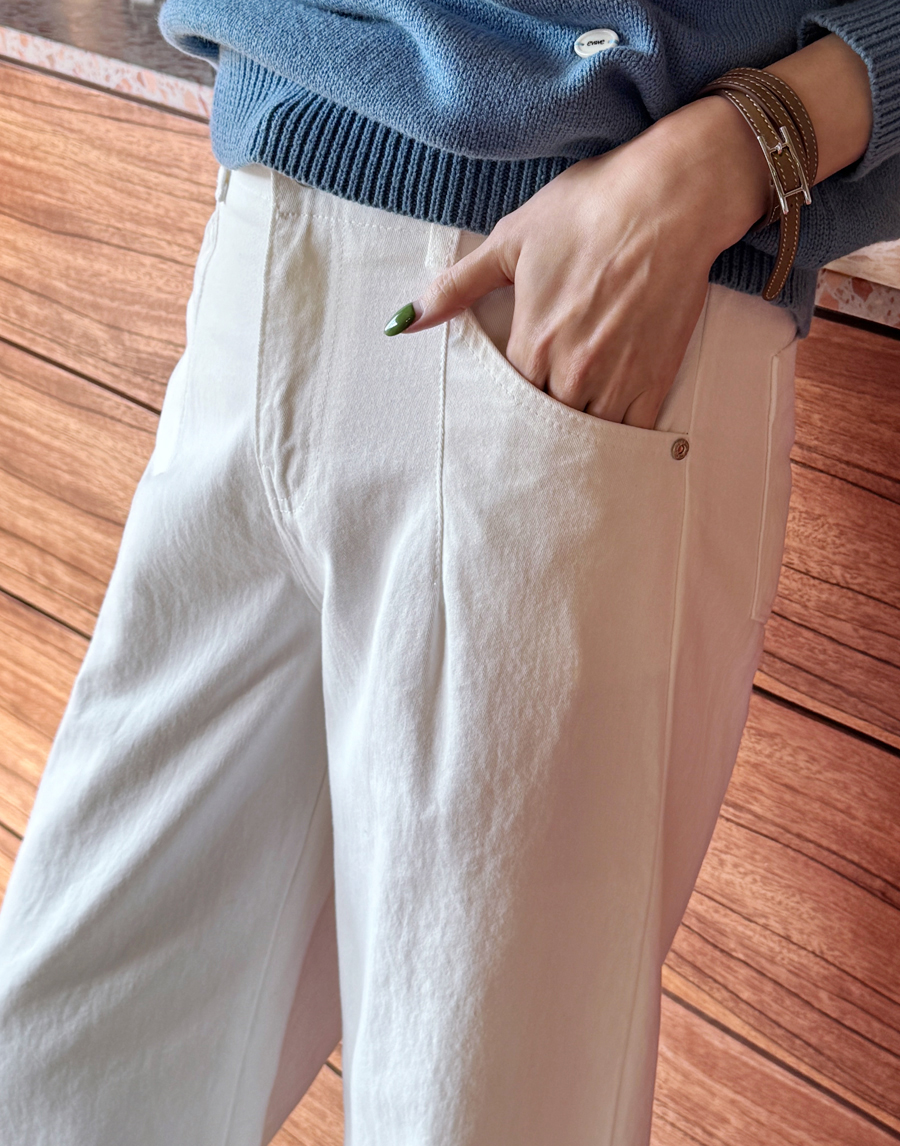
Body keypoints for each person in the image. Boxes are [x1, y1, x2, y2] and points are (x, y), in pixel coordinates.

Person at [0, 2, 896, 1143]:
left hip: (573, 301)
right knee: (56, 1079)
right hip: (271, 215)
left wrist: (750, 141)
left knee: (474, 1107)